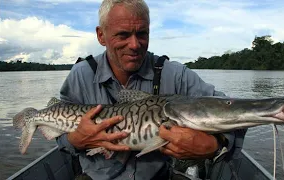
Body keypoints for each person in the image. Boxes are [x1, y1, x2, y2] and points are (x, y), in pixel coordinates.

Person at [56, 0, 244, 179]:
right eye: (123, 35)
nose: (135, 45)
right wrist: (75, 140)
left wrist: (216, 145)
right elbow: (60, 134)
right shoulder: (81, 74)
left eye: (142, 33)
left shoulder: (174, 74)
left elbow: (223, 107)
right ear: (101, 36)